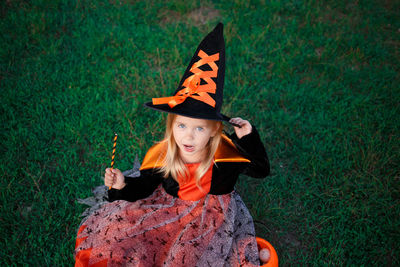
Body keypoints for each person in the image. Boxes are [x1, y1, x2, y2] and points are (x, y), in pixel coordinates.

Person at [75, 23, 270, 267]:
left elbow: (261, 170)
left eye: (199, 128)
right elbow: (144, 187)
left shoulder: (226, 155)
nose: (188, 137)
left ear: (213, 131)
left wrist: (248, 136)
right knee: (134, 243)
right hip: (168, 208)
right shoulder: (164, 154)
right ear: (171, 126)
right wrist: (123, 184)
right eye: (181, 126)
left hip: (209, 216)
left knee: (189, 257)